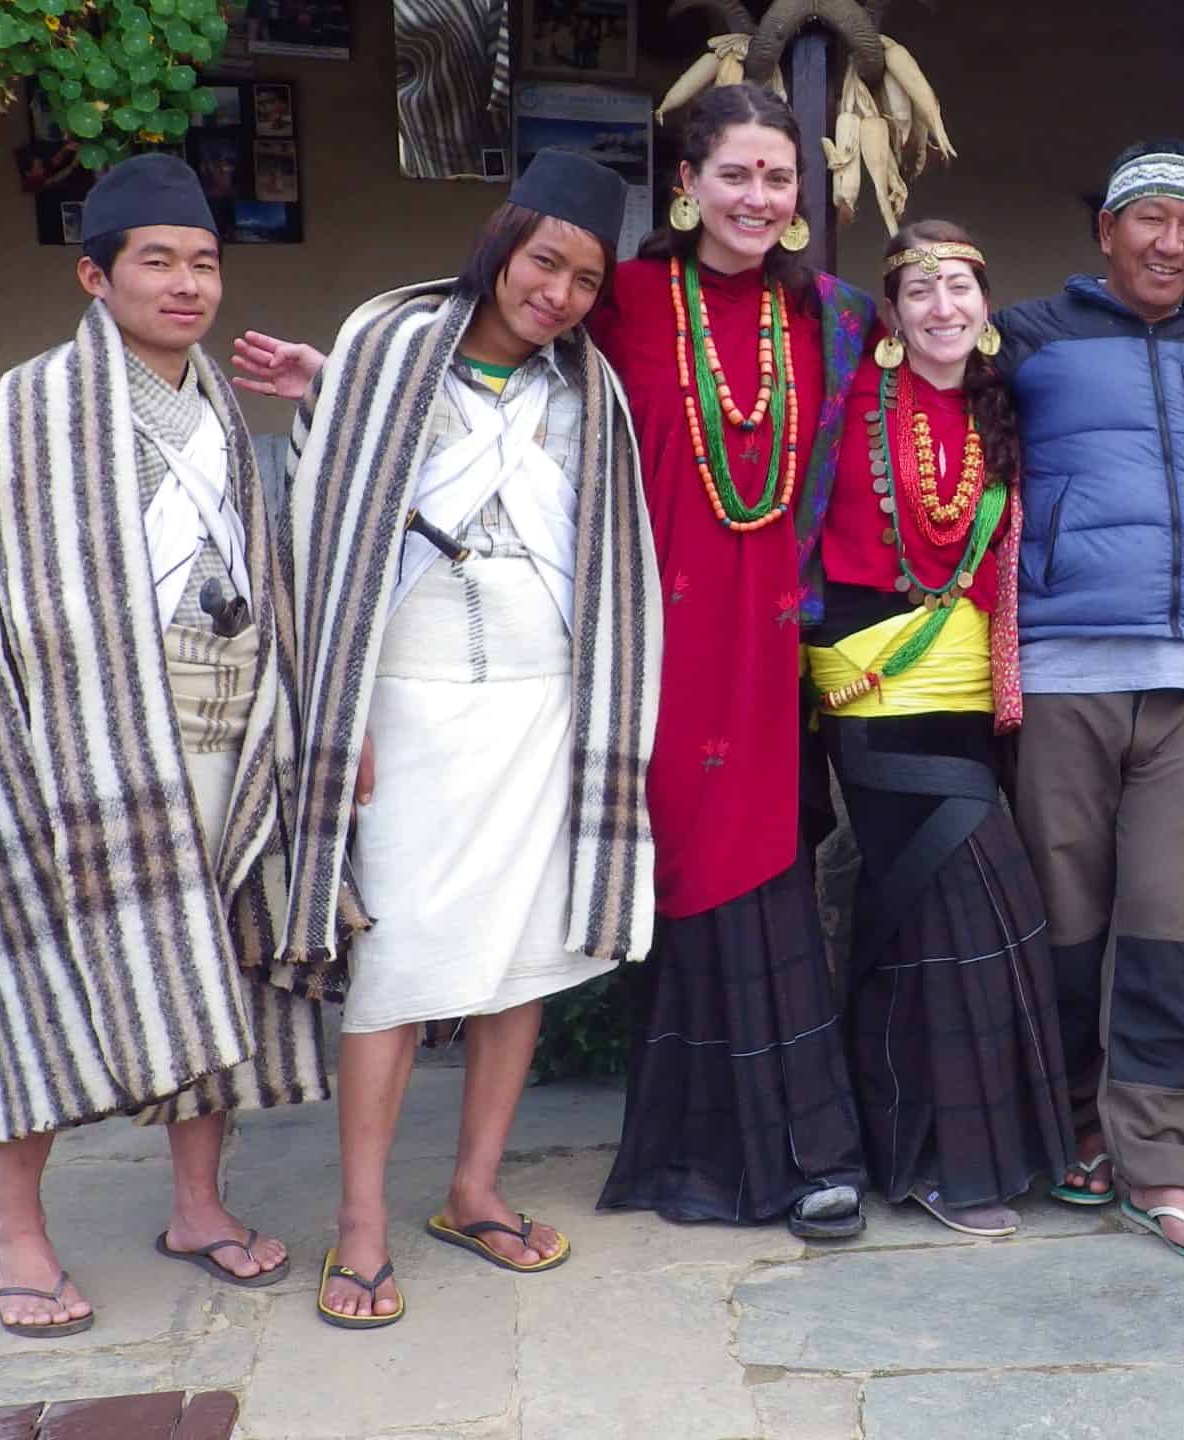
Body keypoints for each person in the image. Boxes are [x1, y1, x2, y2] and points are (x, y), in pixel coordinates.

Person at [0, 154, 326, 1338]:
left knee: (212, 958)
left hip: (222, 730)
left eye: (203, 264)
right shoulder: (33, 405)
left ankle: (195, 1204)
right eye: (158, 263)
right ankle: (14, 1231)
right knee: (36, 976)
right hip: (80, 749)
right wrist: (42, 672)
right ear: (96, 275)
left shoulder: (223, 409)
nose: (187, 286)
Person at [259, 151, 658, 1329]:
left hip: (542, 707)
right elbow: (324, 527)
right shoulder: (388, 351)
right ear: (501, 244)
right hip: (412, 703)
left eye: (587, 279)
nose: (562, 295)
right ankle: (363, 1225)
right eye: (547, 263)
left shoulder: (589, 391)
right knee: (397, 966)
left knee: (515, 958)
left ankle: (474, 1190)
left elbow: (607, 549)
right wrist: (347, 717)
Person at [588, 84, 875, 1240]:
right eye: (736, 174)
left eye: (776, 177)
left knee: (772, 872)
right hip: (658, 638)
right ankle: (697, 1152)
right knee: (692, 877)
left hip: (778, 646)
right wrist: (343, 393)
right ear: (687, 183)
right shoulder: (619, 300)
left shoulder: (835, 317)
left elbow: (946, 415)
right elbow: (488, 372)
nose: (757, 197)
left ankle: (805, 1151)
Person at [995, 139, 1184, 1261]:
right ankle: (1075, 1128)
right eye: (1147, 219)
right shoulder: (1027, 336)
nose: (1170, 243)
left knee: (1166, 926)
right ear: (1105, 231)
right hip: (1065, 673)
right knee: (1067, 927)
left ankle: (1160, 1164)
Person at [806, 221, 1075, 1237]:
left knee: (927, 917)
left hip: (971, 701)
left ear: (987, 307)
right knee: (969, 908)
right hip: (872, 686)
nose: (941, 309)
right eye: (918, 292)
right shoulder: (844, 405)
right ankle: (937, 1160)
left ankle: (919, 1152)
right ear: (889, 313)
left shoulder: (1003, 411)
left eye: (960, 287)